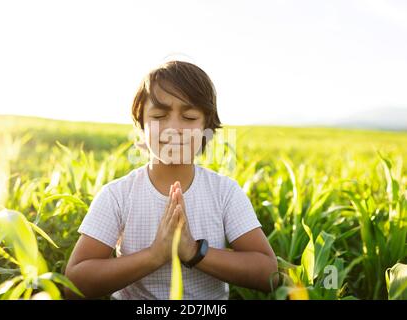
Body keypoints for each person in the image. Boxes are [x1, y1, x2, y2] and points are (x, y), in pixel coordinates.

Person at [64, 60, 278, 299]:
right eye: (158, 116)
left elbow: (268, 273)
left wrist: (193, 251)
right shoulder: (118, 195)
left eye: (188, 117)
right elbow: (74, 284)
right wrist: (156, 254)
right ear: (141, 125)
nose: (174, 128)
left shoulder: (225, 192)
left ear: (206, 125)